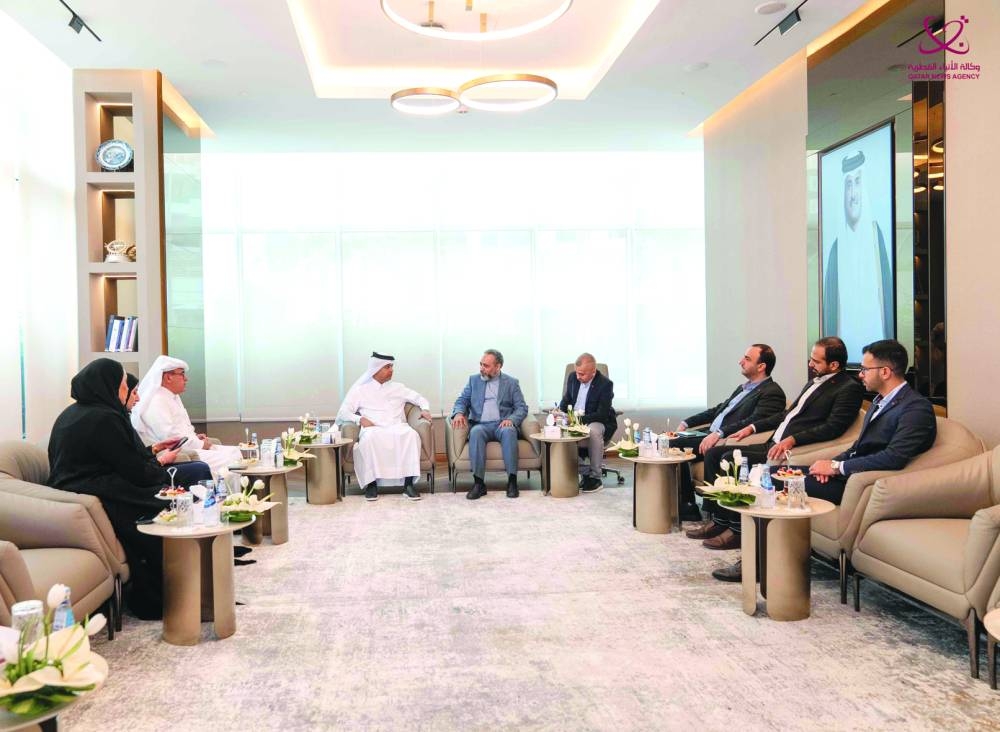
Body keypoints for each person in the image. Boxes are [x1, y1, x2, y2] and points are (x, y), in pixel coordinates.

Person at [47, 358, 212, 619]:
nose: (129, 392)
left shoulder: (73, 413)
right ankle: (166, 593)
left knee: (170, 491)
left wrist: (154, 454)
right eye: (124, 386)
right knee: (169, 502)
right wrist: (159, 465)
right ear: (109, 386)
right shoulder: (105, 418)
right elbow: (137, 472)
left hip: (84, 489)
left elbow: (120, 459)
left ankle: (188, 577)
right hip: (97, 491)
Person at [695, 337, 864, 576]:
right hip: (772, 442)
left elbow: (833, 427)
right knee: (715, 455)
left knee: (735, 461)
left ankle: (737, 531)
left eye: (816, 361)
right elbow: (786, 415)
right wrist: (752, 427)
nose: (810, 364)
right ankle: (720, 521)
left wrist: (792, 439)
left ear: (834, 365)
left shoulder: (848, 388)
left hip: (791, 448)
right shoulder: (814, 382)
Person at [672, 344, 786, 521]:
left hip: (722, 438)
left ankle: (688, 507)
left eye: (747, 359)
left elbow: (752, 421)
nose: (741, 362)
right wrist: (686, 422)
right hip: (709, 432)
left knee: (672, 445)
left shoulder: (772, 392)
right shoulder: (743, 388)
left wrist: (720, 433)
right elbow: (718, 410)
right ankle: (681, 504)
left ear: (761, 366)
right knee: (668, 439)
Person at [336, 352, 432, 502]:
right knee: (369, 438)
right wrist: (359, 419)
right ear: (376, 369)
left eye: (392, 367)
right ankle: (371, 485)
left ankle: (408, 485)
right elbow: (343, 412)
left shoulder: (398, 388)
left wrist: (425, 409)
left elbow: (419, 398)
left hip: (397, 427)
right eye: (387, 367)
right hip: (373, 429)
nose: (391, 370)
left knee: (411, 435)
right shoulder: (360, 390)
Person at [823, 150, 893, 350]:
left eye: (858, 182)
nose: (853, 195)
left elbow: (887, 303)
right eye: (848, 185)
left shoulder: (876, 239)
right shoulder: (836, 250)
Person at [130, 355, 242, 476]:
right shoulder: (156, 400)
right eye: (182, 374)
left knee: (235, 452)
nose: (186, 379)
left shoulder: (172, 397)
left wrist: (195, 437)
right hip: (181, 451)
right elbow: (169, 436)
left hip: (190, 446)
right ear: (168, 377)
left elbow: (182, 428)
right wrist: (200, 444)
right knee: (231, 460)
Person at [451, 349, 529, 500]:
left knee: (509, 431)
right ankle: (479, 484)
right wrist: (459, 413)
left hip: (502, 424)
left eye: (486, 366)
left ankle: (512, 481)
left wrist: (512, 420)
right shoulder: (474, 380)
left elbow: (521, 407)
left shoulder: (511, 383)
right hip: (482, 425)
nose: (481, 368)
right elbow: (462, 400)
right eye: (481, 364)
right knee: (475, 432)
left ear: (498, 366)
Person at [557, 353, 616, 493]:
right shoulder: (573, 378)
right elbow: (566, 400)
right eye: (577, 372)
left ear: (593, 372)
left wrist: (576, 420)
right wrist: (559, 412)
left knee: (593, 431)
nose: (578, 377)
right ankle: (584, 472)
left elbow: (602, 415)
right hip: (573, 420)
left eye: (582, 374)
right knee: (554, 431)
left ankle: (595, 477)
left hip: (594, 420)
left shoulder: (605, 384)